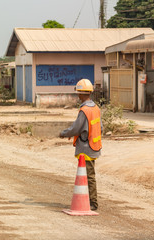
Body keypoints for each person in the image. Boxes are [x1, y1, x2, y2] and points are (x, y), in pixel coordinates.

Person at [59, 78, 102, 211]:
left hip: (86, 147)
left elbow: (76, 128)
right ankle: (89, 200)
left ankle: (92, 203)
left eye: (78, 93)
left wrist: (64, 133)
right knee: (89, 175)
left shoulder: (84, 110)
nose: (78, 95)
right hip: (94, 145)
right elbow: (100, 127)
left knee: (88, 176)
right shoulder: (95, 108)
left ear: (82, 94)